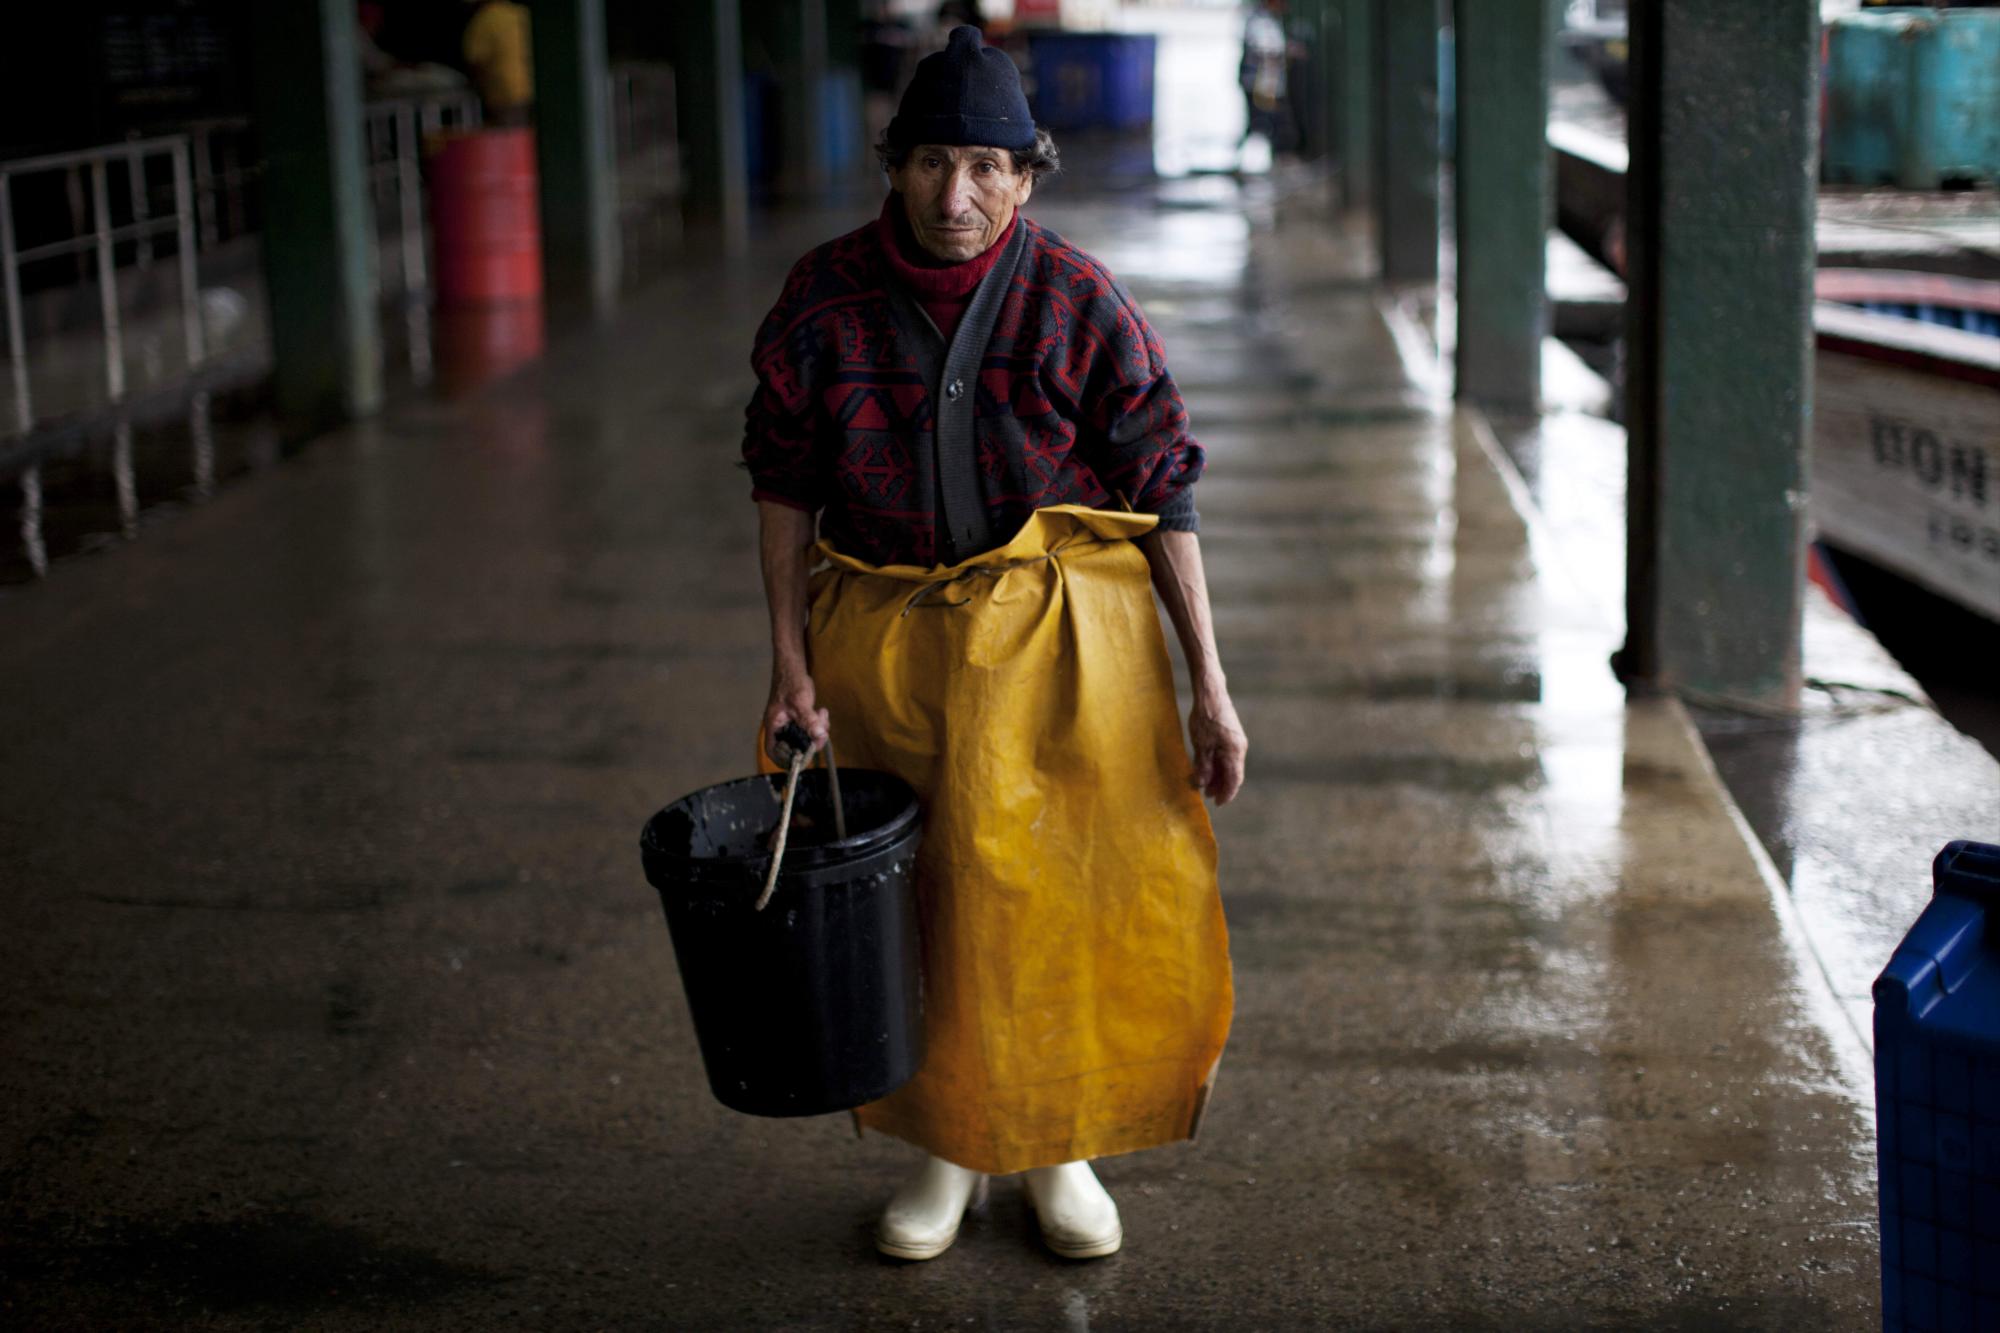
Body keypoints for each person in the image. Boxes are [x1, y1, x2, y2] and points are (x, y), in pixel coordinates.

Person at [741, 25, 1246, 1263]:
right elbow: (781, 482)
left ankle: (1053, 1142)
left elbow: (1162, 487)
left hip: (1060, 639)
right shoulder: (823, 295)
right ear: (892, 168)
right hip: (884, 634)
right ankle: (948, 1146)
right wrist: (786, 663)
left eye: (983, 167)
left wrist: (1207, 690)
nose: (952, 195)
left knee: (1062, 887)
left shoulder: (1077, 298)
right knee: (911, 897)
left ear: (1027, 177)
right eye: (927, 163)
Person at [461, 0, 532, 126]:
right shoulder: (520, 13)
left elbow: (475, 62)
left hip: (505, 94)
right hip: (531, 89)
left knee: (512, 138)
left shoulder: (484, 20)